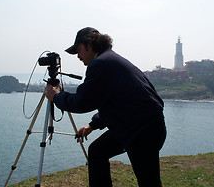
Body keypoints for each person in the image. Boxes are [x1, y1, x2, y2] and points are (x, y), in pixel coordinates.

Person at [45, 27, 166, 187]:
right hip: (142, 124)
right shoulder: (111, 60)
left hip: (141, 131)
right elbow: (117, 101)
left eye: (79, 50)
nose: (78, 56)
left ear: (89, 44)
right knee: (97, 151)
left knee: (149, 183)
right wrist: (93, 125)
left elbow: (82, 101)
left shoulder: (100, 64)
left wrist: (56, 96)